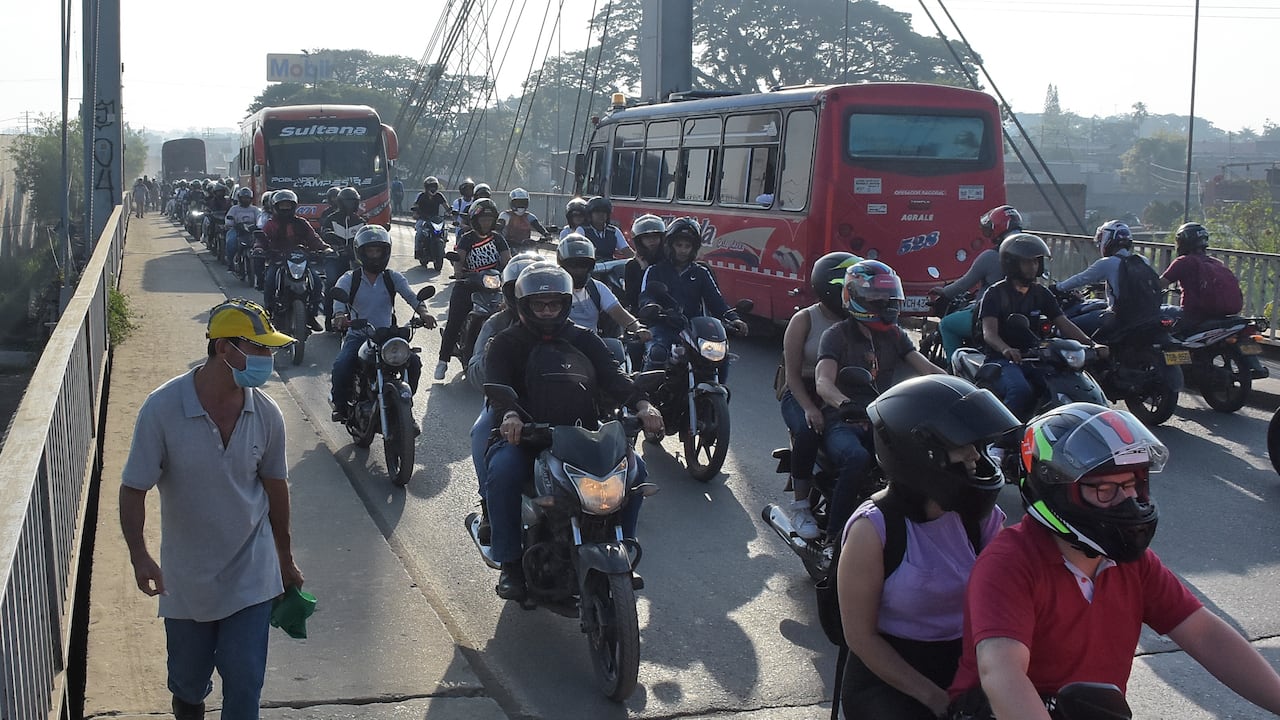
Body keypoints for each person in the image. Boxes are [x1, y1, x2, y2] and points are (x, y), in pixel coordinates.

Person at [948, 402, 1280, 719]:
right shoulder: (1010, 563)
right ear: (1056, 490)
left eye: (1133, 484)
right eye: (1105, 490)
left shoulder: (1132, 564)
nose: (1129, 502)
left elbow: (1204, 634)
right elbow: (1002, 674)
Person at [119, 298, 302, 720]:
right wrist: (140, 555)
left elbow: (276, 489)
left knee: (244, 682)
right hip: (187, 579)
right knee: (188, 682)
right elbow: (133, 489)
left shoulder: (266, 414)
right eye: (260, 348)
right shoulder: (162, 409)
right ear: (225, 349)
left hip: (251, 576)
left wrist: (284, 559)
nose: (268, 359)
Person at [837, 375, 1018, 719]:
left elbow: (1005, 602)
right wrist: (935, 698)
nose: (974, 456)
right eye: (963, 445)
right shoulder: (873, 529)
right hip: (890, 676)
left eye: (977, 446)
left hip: (965, 662)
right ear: (920, 452)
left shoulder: (981, 519)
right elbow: (860, 638)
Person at [483, 264, 665, 600]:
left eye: (554, 304)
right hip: (527, 438)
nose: (548, 311)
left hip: (582, 437)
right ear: (524, 306)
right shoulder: (506, 342)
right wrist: (510, 414)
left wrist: (643, 405)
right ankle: (509, 564)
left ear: (566, 304)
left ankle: (623, 546)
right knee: (503, 471)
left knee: (636, 471)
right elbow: (497, 388)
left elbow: (615, 379)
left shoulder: (585, 339)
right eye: (540, 305)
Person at [815, 259, 944, 539]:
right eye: (876, 296)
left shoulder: (894, 335)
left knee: (922, 458)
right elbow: (823, 381)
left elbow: (926, 367)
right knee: (857, 458)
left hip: (883, 417)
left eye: (888, 296)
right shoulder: (836, 335)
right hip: (843, 420)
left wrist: (960, 389)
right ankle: (834, 536)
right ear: (855, 297)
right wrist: (843, 403)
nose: (885, 303)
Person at [466, 253, 546, 543]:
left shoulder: (561, 322)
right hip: (506, 404)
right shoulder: (496, 325)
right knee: (481, 432)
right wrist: (490, 355)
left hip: (556, 401)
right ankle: (489, 505)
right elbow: (475, 374)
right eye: (521, 290)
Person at [978, 232, 1100, 422]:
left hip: (1036, 357)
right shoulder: (995, 294)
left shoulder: (1040, 293)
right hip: (1003, 360)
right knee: (1020, 390)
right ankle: (1002, 440)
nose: (1033, 267)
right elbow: (989, 333)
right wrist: (1006, 349)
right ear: (1012, 263)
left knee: (1061, 385)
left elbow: (1064, 323)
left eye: (1036, 262)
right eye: (1027, 262)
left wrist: (1092, 344)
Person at [779, 252, 858, 540]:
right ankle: (800, 505)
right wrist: (810, 408)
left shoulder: (859, 319)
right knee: (808, 431)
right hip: (803, 391)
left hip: (842, 393)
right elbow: (791, 375)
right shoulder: (805, 320)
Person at [330, 226, 436, 422]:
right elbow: (338, 301)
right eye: (370, 251)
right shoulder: (349, 278)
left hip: (386, 336)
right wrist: (339, 316)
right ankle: (340, 405)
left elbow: (411, 296)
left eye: (378, 251)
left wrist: (423, 312)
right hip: (359, 335)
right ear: (361, 252)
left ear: (385, 252)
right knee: (342, 365)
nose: (375, 255)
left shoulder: (392, 277)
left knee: (413, 363)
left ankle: (405, 409)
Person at [639, 217, 748, 371]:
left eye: (687, 246)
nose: (683, 250)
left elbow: (716, 301)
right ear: (670, 246)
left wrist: (734, 318)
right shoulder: (655, 270)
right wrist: (651, 307)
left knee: (720, 356)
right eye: (679, 245)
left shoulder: (701, 273)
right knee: (657, 353)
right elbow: (646, 296)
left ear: (694, 248)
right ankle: (645, 394)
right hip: (663, 326)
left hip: (694, 329)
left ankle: (717, 388)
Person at [928, 205, 1024, 365]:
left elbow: (963, 284)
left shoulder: (990, 256)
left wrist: (944, 292)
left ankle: (955, 371)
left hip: (990, 316)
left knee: (946, 325)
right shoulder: (1030, 253)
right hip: (1023, 316)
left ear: (997, 228)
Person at [435, 198, 511, 381]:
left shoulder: (498, 239)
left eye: (489, 219)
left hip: (494, 287)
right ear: (475, 220)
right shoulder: (467, 238)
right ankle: (443, 360)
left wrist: (511, 275)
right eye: (483, 219)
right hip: (468, 285)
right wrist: (459, 273)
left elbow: (507, 260)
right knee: (454, 319)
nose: (486, 222)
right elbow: (458, 259)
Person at [1052, 220, 1160, 337]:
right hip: (1145, 315)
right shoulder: (1143, 260)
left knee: (1063, 328)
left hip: (1119, 317)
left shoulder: (1108, 263)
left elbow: (1081, 279)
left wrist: (1058, 287)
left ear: (1108, 239)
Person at [253, 189, 328, 331]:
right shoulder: (270, 224)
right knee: (269, 281)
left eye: (288, 205)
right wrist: (259, 248)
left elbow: (314, 239)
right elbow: (261, 239)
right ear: (275, 207)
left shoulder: (302, 223)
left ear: (293, 206)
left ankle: (311, 315)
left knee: (317, 283)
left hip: (301, 259)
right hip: (278, 260)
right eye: (282, 206)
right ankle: (269, 312)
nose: (285, 209)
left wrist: (325, 248)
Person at [557, 233, 649, 342]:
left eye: (583, 264)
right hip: (558, 346)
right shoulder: (553, 289)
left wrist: (638, 328)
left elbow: (620, 314)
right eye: (573, 265)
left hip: (591, 346)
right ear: (562, 265)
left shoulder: (597, 288)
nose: (579, 270)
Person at [1159, 221, 1244, 329]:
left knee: (1159, 311)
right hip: (1220, 316)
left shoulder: (1183, 262)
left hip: (1193, 316)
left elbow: (1159, 284)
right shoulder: (1216, 262)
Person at [319, 187, 367, 330]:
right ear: (340, 202)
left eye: (353, 202)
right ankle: (329, 317)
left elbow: (367, 237)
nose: (350, 205)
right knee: (332, 281)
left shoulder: (361, 221)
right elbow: (324, 233)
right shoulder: (331, 218)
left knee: (367, 282)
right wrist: (331, 238)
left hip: (355, 258)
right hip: (335, 257)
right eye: (347, 202)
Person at [622, 214, 667, 313]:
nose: (652, 241)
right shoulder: (632, 266)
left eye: (655, 237)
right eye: (647, 238)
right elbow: (632, 298)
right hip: (642, 313)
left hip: (667, 310)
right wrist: (644, 271)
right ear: (639, 241)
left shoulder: (667, 262)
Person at [224, 187, 260, 272]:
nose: (245, 200)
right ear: (239, 198)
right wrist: (232, 223)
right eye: (244, 198)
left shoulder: (255, 209)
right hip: (237, 230)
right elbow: (228, 219)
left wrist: (257, 226)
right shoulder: (234, 209)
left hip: (251, 231)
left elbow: (260, 219)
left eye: (247, 198)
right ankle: (230, 263)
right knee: (231, 242)